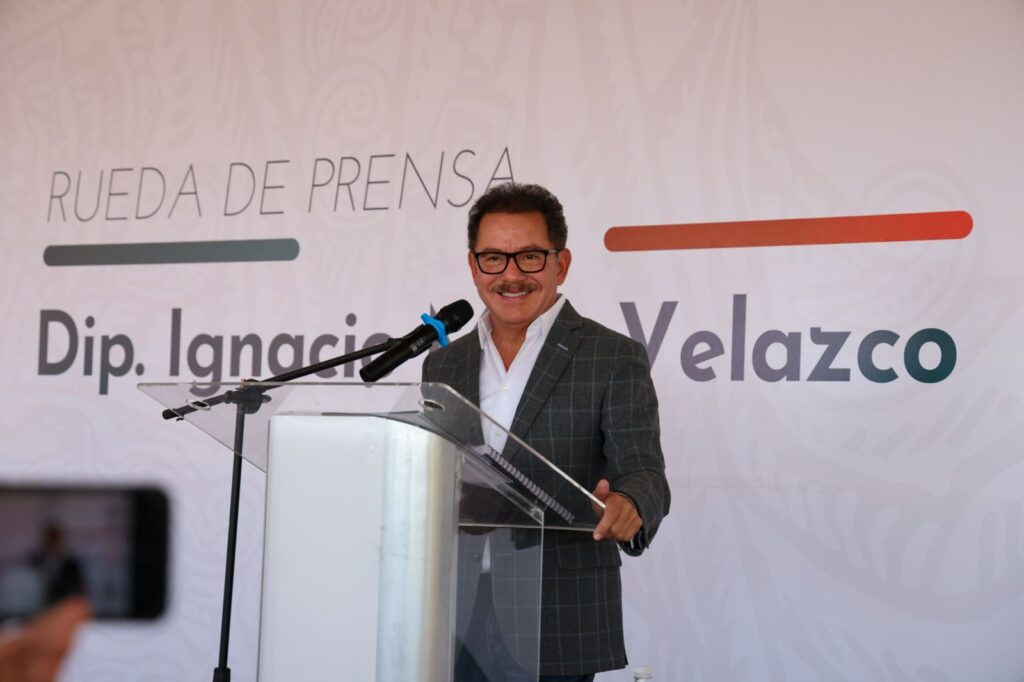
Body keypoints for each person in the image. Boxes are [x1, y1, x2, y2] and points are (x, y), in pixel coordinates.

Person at [422, 182, 670, 681]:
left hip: (557, 610)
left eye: (530, 257)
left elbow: (645, 472)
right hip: (451, 605)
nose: (511, 275)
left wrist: (630, 504)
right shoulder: (443, 363)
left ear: (561, 263)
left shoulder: (612, 356)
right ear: (473, 266)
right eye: (494, 258)